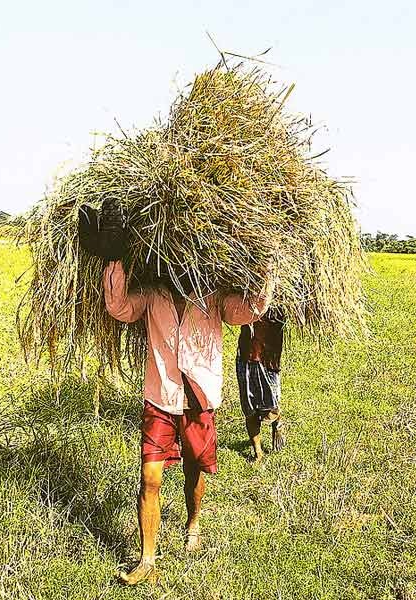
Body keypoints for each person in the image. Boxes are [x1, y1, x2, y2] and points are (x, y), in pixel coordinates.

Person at [79, 201, 274, 585]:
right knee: (150, 478)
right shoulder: (152, 295)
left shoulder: (214, 298)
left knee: (194, 469)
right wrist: (114, 259)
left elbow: (250, 309)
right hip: (160, 397)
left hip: (200, 399)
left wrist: (267, 262)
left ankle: (193, 523)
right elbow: (118, 308)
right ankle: (147, 558)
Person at [236, 308, 286, 464]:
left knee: (271, 407)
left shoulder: (280, 302)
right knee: (249, 409)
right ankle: (258, 453)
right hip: (246, 356)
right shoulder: (246, 295)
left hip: (268, 359)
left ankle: (277, 421)